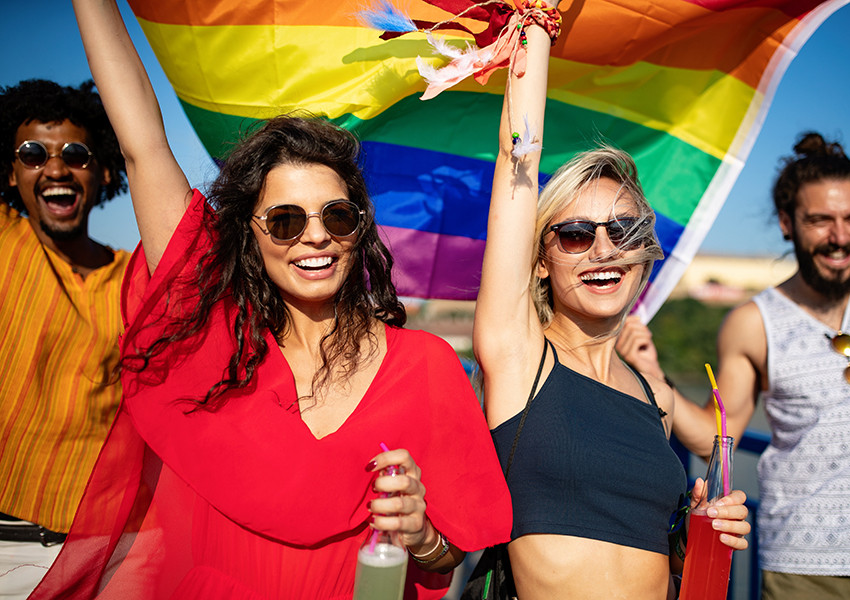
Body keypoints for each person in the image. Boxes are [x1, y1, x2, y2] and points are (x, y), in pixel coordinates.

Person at [27, 1, 513, 598]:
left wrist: (422, 535)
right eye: (285, 220)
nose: (315, 236)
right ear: (251, 236)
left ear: (360, 227)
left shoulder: (427, 366)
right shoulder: (215, 339)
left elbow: (452, 551)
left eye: (337, 215)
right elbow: (143, 146)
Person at [617, 0, 850, 597]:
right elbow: (718, 436)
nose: (840, 236)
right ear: (787, 223)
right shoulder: (753, 322)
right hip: (805, 574)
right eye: (820, 220)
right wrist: (654, 381)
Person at [471, 7, 750, 600]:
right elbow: (518, 159)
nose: (604, 249)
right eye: (575, 234)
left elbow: (652, 554)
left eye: (623, 231)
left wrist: (698, 534)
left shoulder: (654, 399)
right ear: (540, 259)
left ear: (644, 253)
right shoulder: (519, 356)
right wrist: (538, 25)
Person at [0, 78, 130, 598]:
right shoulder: (6, 240)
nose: (55, 169)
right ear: (11, 172)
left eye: (76, 155)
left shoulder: (137, 280)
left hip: (98, 557)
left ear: (105, 171)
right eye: (33, 154)